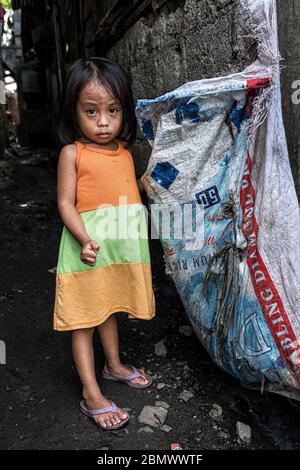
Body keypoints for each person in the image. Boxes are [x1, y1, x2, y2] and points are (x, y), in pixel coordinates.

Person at [53, 57, 156, 431]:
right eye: (91, 111)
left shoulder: (125, 152)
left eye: (112, 110)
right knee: (83, 320)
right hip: (88, 250)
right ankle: (91, 391)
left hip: (119, 252)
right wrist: (83, 239)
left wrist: (146, 182)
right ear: (74, 111)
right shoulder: (73, 154)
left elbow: (127, 192)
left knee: (109, 308)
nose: (103, 121)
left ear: (124, 111)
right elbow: (66, 203)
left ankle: (113, 367)